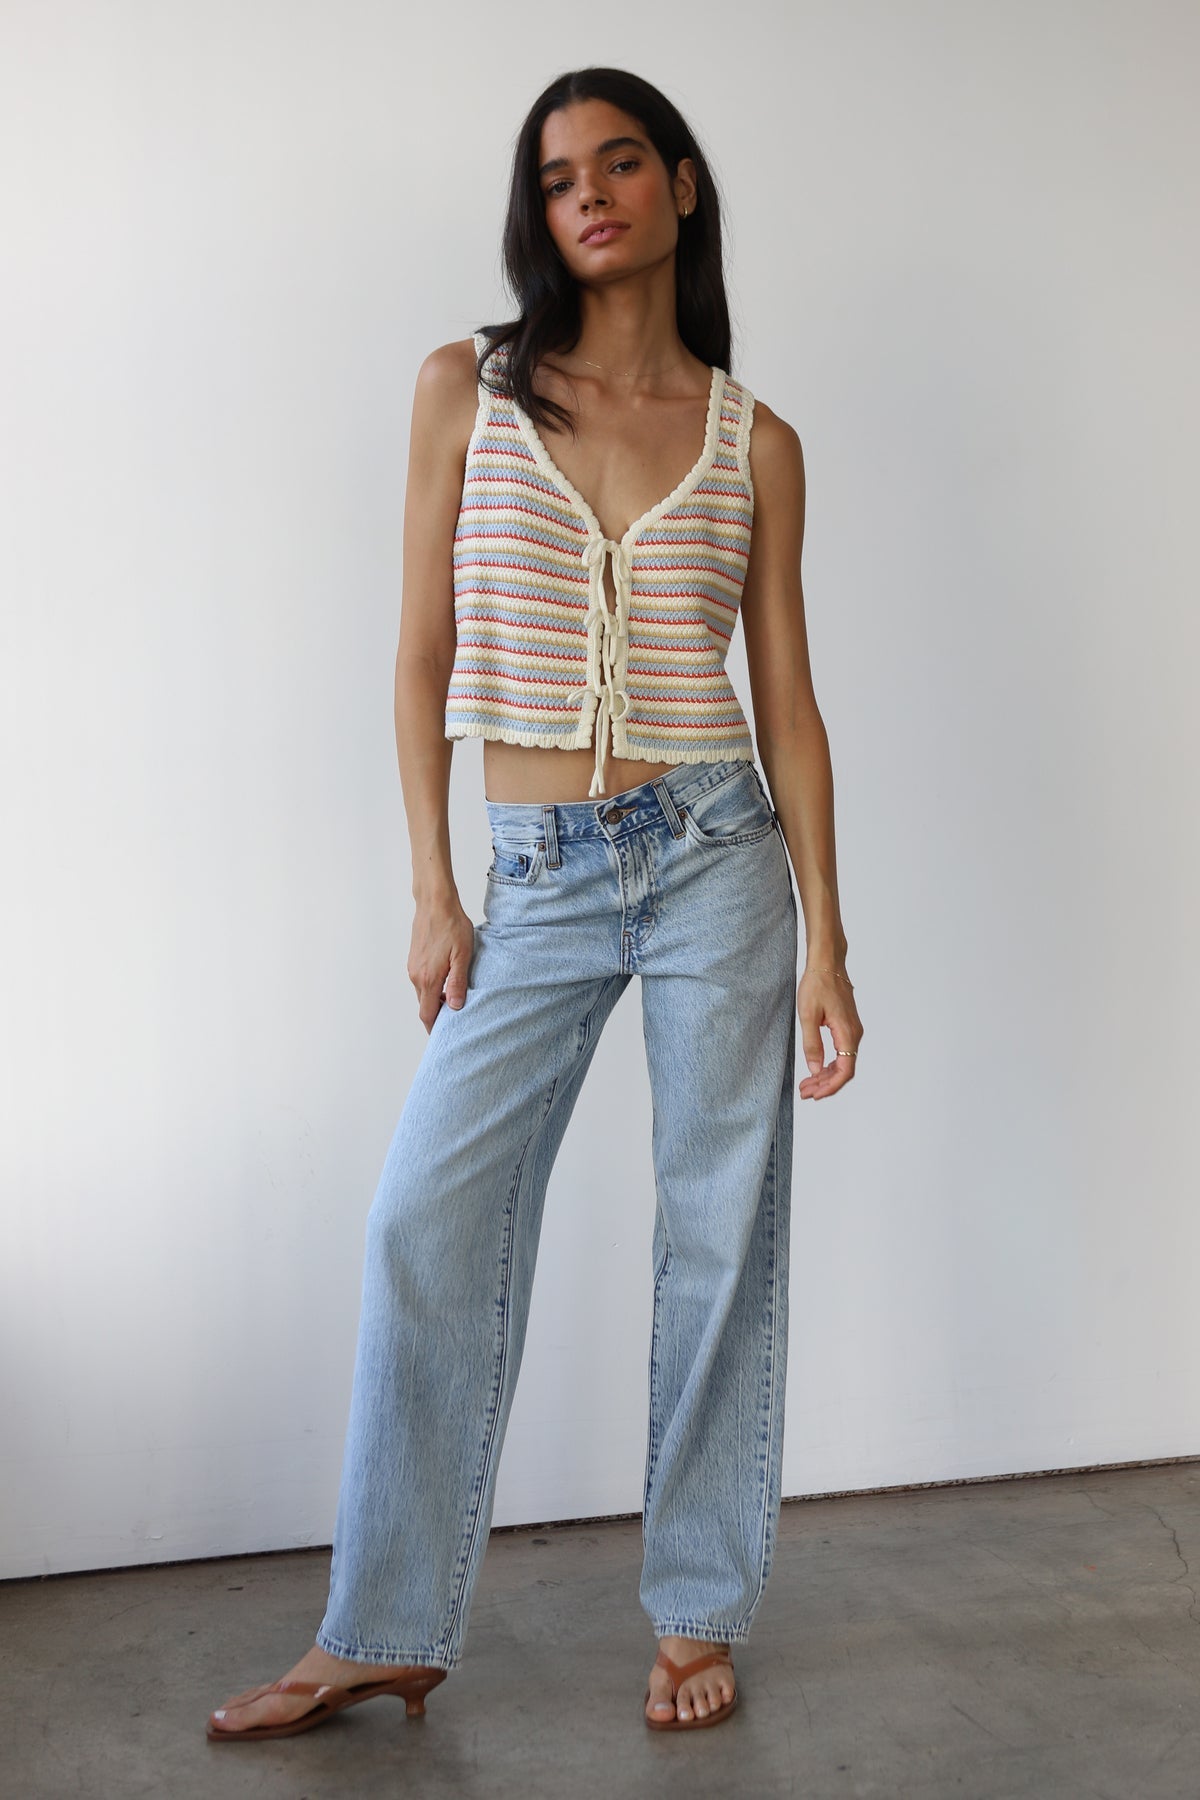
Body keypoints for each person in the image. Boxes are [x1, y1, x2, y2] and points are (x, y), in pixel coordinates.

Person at [207, 63, 863, 1745]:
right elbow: (418, 653)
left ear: (681, 184)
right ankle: (384, 1626)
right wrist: (435, 885)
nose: (590, 196)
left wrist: (830, 943)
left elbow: (789, 707)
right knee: (425, 1218)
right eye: (561, 176)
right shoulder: (469, 390)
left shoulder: (756, 442)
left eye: (621, 163)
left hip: (719, 855)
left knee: (718, 1236)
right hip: (539, 872)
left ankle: (698, 1607)